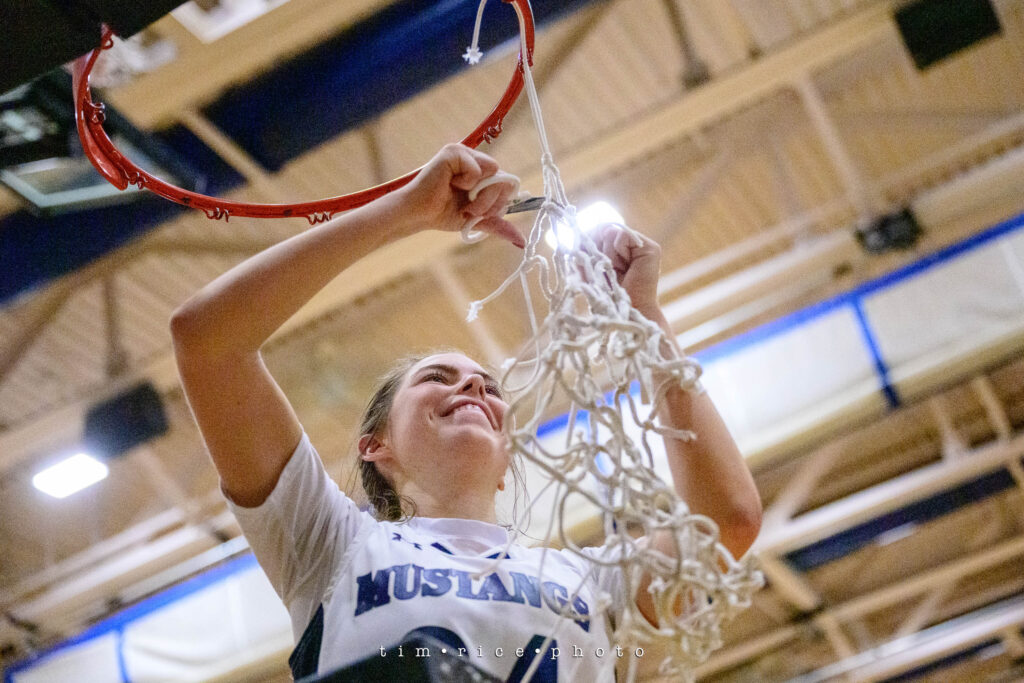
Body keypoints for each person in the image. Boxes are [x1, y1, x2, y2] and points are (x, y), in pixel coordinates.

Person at [170, 144, 761, 681]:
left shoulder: (586, 580)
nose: (474, 386)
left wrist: (643, 316)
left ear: (506, 463)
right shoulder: (332, 545)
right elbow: (206, 340)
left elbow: (726, 521)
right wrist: (403, 213)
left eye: (489, 386)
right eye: (437, 378)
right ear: (376, 446)